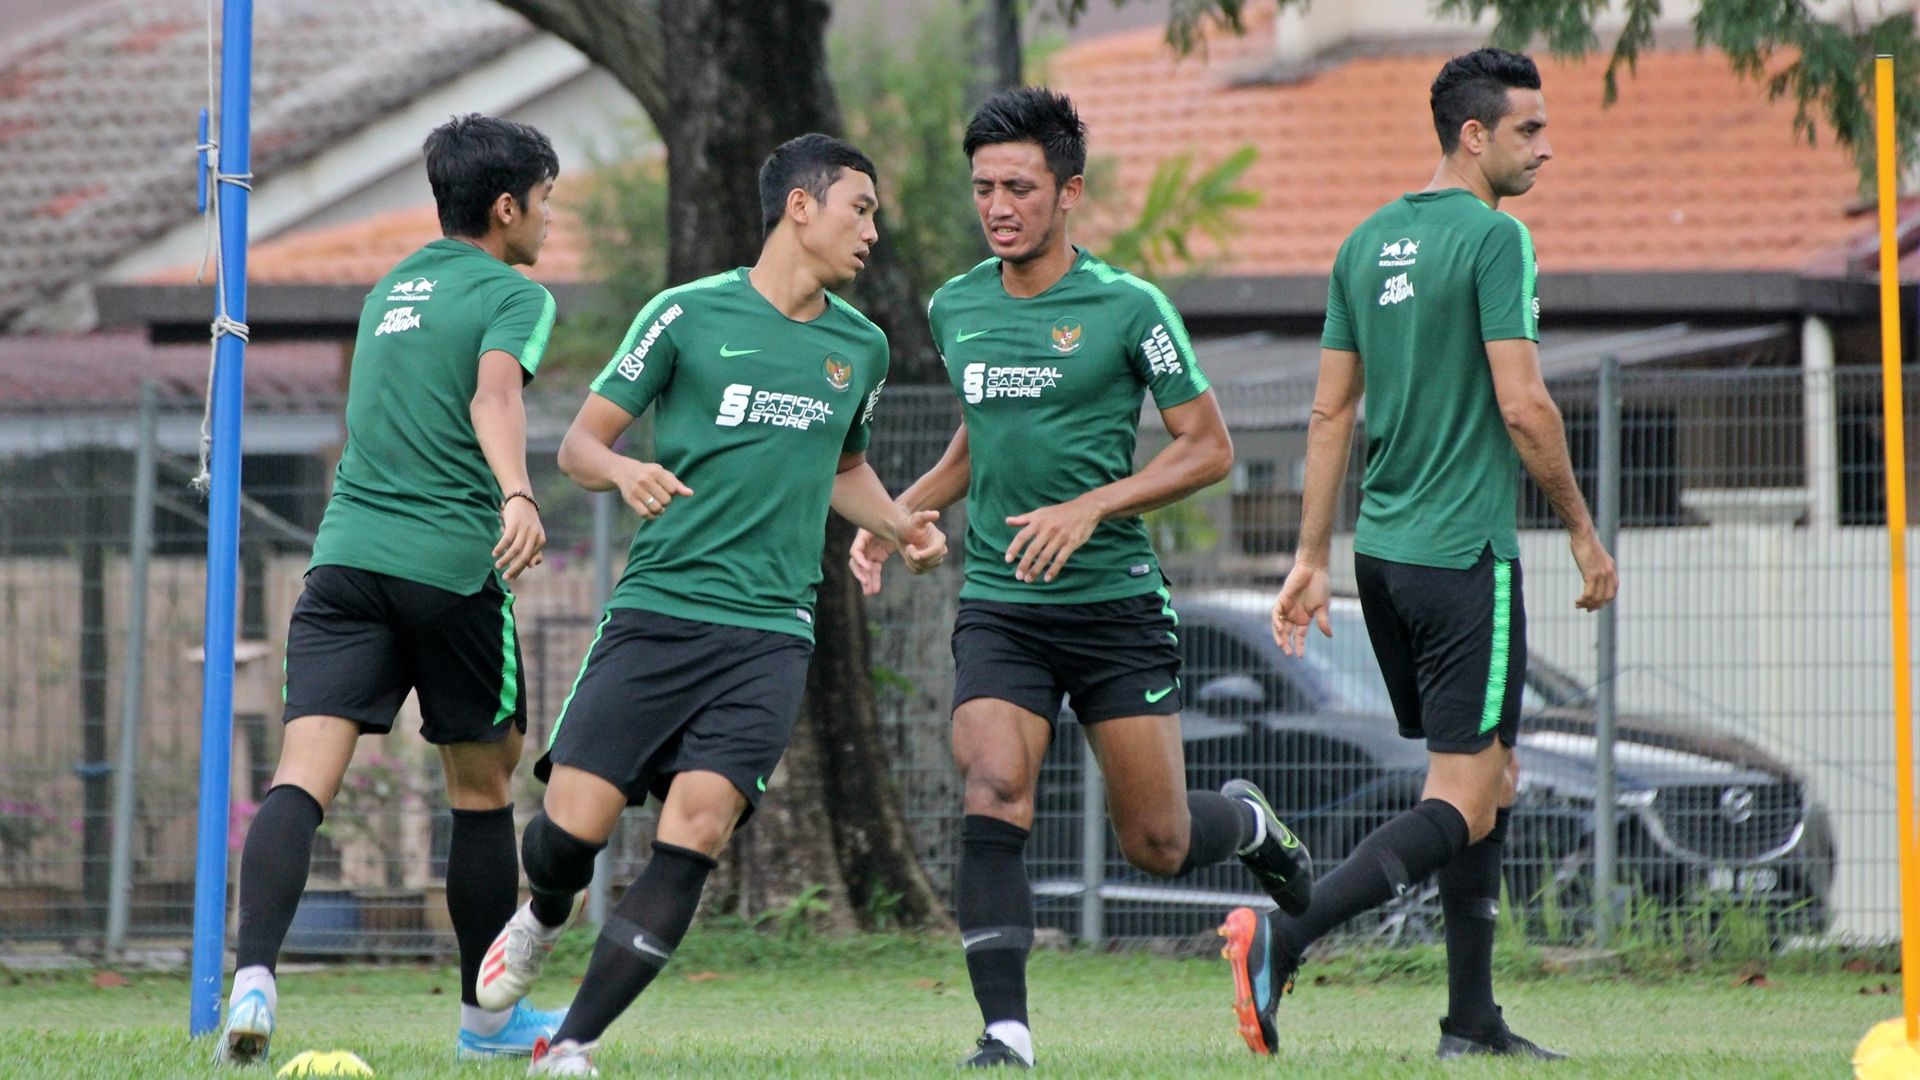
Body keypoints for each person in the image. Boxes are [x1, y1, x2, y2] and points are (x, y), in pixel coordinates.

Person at [847, 87, 1313, 1070]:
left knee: (1156, 838)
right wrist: (902, 514)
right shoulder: (957, 304)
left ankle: (1251, 822)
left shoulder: (1129, 308)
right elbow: (988, 427)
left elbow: (1210, 449)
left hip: (1114, 607)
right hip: (1004, 605)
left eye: (1020, 186)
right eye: (984, 188)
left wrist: (1094, 504)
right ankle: (1005, 1032)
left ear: (1070, 193)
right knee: (994, 785)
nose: (999, 205)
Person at [469, 132, 945, 1078]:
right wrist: (628, 469)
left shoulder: (861, 346)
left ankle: (570, 1045)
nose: (873, 231)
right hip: (658, 612)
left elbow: (840, 465)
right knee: (568, 832)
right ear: (800, 208)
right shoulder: (684, 314)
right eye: (861, 208)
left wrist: (897, 523)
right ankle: (544, 913)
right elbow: (579, 447)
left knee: (698, 827)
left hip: (771, 634)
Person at [1225, 47, 1618, 1060]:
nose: (1547, 146)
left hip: (1383, 560)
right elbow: (1524, 404)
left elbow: (1327, 413)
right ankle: (1288, 930)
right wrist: (1581, 528)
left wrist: (1310, 557)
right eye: (1529, 128)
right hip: (1464, 559)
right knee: (1462, 793)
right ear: (1473, 135)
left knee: (1493, 775)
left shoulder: (1364, 243)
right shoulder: (1495, 240)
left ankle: (1471, 1022)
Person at [217, 113, 564, 1066]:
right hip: (450, 570)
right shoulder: (512, 293)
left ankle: (253, 979)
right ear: (506, 206)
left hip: (343, 568)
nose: (549, 221)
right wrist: (518, 491)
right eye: (546, 202)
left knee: (299, 780)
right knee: (484, 788)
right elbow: (494, 397)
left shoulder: (388, 290)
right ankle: (486, 1023)